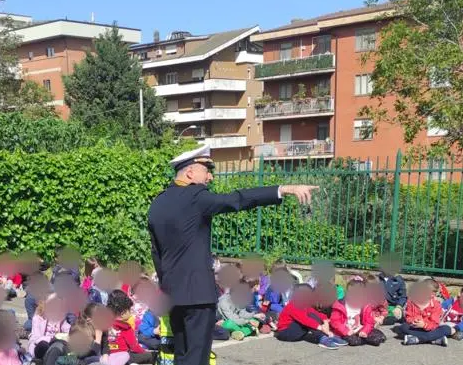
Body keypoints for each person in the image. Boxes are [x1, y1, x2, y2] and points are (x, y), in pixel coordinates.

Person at [147, 144, 317, 365]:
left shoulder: (158, 202)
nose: (210, 177)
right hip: (198, 295)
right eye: (206, 170)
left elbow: (156, 252)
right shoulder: (196, 196)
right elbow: (236, 199)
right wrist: (282, 189)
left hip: (173, 293)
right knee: (197, 357)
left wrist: (168, 282)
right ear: (190, 172)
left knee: (182, 353)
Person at [275, 284, 339, 350]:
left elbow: (316, 314)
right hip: (285, 333)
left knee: (312, 315)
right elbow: (305, 320)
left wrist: (325, 321)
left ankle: (327, 336)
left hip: (294, 331)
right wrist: (322, 328)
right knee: (309, 318)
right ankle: (322, 338)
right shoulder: (293, 305)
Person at [329, 279, 386, 346]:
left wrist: (364, 331)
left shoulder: (365, 305)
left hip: (359, 328)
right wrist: (346, 331)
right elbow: (335, 322)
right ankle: (363, 339)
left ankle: (364, 337)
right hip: (346, 330)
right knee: (354, 341)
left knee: (380, 337)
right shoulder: (340, 304)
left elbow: (369, 322)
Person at [106, 290, 155, 365]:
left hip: (108, 356)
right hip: (125, 358)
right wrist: (144, 352)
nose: (131, 312)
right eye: (130, 310)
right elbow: (134, 346)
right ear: (123, 313)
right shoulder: (125, 327)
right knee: (151, 356)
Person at [400, 280, 451, 346]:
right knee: (403, 327)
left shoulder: (436, 305)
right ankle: (435, 339)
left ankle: (416, 339)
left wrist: (424, 325)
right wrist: (415, 321)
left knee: (446, 329)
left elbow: (435, 323)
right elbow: (408, 317)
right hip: (415, 328)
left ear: (433, 294)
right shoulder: (411, 301)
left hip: (430, 329)